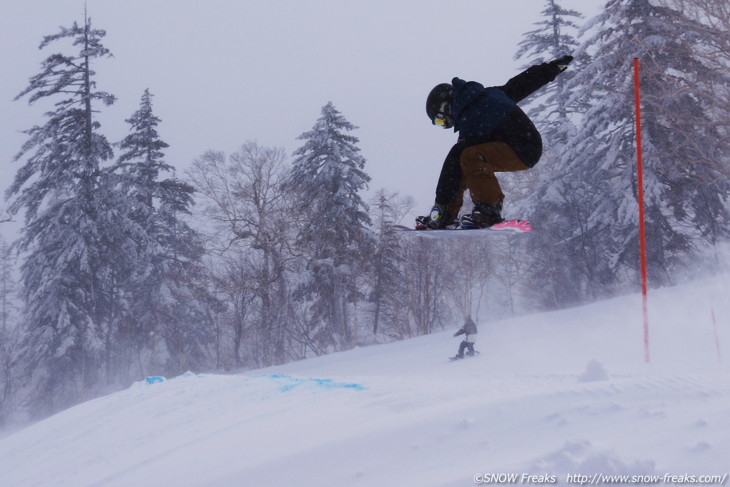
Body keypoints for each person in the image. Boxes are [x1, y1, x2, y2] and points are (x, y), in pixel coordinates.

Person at [416, 55, 574, 230]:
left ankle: (487, 211)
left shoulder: (471, 117)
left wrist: (441, 206)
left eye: (441, 120)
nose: (447, 125)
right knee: (464, 158)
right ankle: (448, 214)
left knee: (468, 156)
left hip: (523, 147)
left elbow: (452, 165)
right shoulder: (486, 96)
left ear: (447, 107)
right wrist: (550, 69)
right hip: (523, 144)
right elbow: (520, 85)